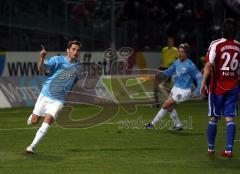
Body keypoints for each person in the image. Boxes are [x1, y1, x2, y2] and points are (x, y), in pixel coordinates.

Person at [25, 40, 83, 154]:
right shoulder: (57, 60)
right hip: (46, 94)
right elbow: (41, 69)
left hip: (59, 100)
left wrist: (67, 96)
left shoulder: (79, 67)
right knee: (35, 121)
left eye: (78, 50)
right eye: (73, 49)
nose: (75, 52)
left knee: (48, 120)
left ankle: (32, 146)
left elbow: (74, 82)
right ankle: (31, 118)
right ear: (68, 50)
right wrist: (41, 58)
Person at [200, 18, 240, 158]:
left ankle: (211, 148)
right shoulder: (239, 46)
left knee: (213, 118)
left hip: (217, 88)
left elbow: (209, 65)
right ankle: (229, 149)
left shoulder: (216, 44)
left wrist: (203, 83)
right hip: (233, 88)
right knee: (230, 118)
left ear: (222, 30)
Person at [147, 43, 202, 130]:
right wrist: (160, 73)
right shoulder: (176, 63)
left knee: (166, 105)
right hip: (175, 88)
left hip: (184, 91)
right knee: (169, 108)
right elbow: (168, 72)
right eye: (179, 51)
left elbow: (200, 78)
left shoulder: (191, 65)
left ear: (186, 53)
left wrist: (197, 90)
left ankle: (152, 124)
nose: (180, 54)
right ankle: (178, 125)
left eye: (182, 52)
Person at [153, 37, 179, 107]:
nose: (169, 43)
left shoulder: (175, 50)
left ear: (173, 43)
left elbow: (178, 60)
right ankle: (156, 102)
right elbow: (162, 59)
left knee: (166, 86)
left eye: (171, 41)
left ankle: (174, 100)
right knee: (156, 84)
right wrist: (159, 67)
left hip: (168, 69)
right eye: (168, 41)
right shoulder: (164, 49)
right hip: (162, 68)